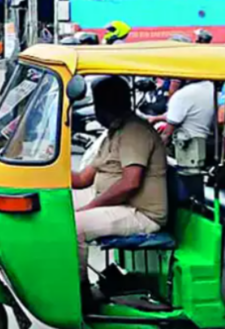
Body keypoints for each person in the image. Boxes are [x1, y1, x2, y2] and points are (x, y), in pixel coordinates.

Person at [71, 77, 169, 303]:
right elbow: (83, 179)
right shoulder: (113, 133)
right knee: (56, 206)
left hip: (142, 213)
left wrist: (90, 207)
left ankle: (81, 293)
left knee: (75, 226)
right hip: (119, 204)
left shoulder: (134, 132)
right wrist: (49, 169)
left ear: (106, 104)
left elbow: (130, 183)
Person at [148, 80, 215, 174]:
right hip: (210, 143)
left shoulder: (183, 95)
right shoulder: (212, 88)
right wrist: (157, 118)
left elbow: (167, 134)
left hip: (187, 148)